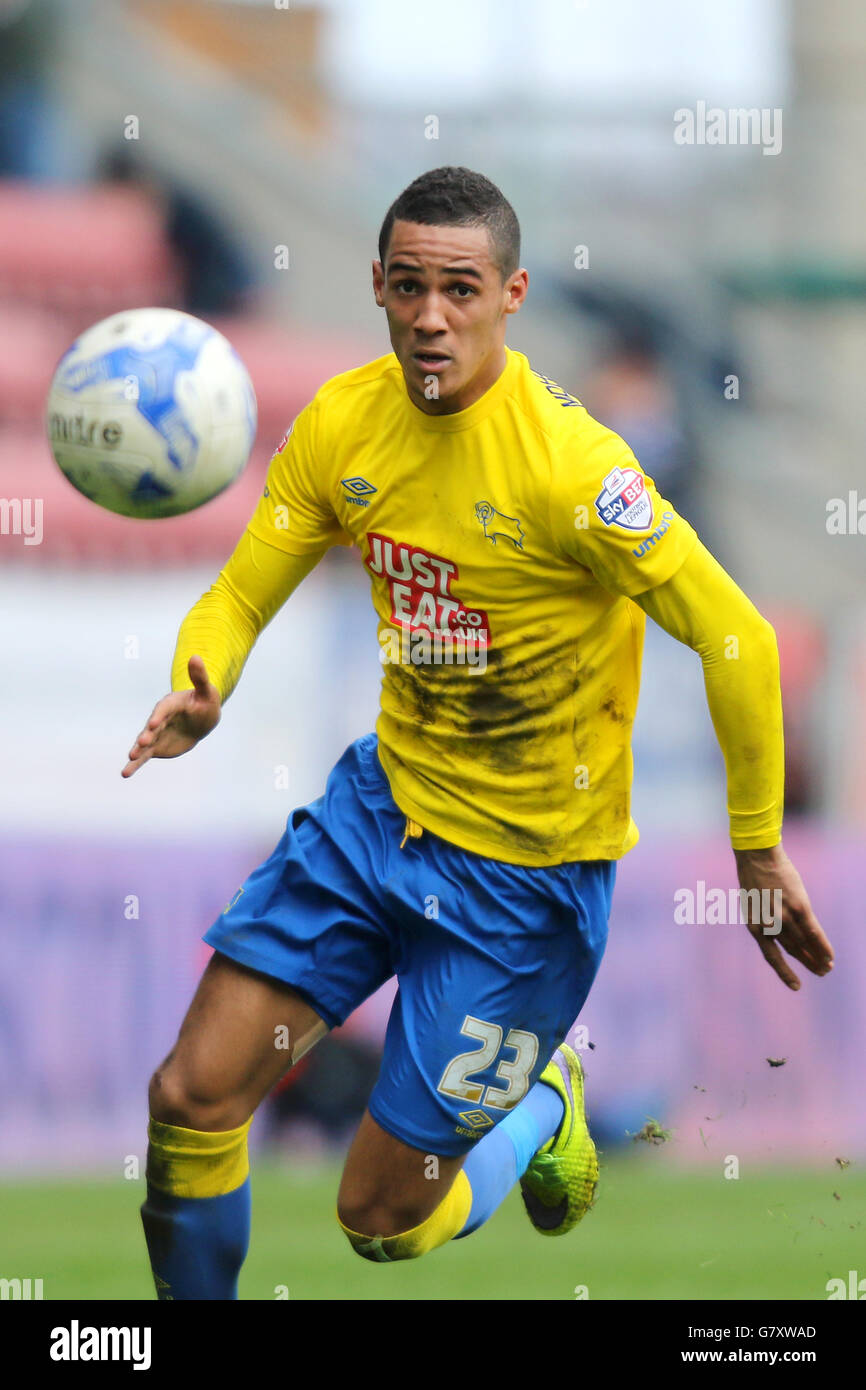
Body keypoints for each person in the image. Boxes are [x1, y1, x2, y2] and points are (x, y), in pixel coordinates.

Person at [123, 167, 834, 1299]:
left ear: (509, 294)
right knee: (189, 1099)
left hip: (523, 889)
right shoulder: (345, 423)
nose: (428, 316)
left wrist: (755, 846)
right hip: (376, 820)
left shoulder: (576, 472)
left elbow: (737, 637)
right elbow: (241, 595)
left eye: (458, 288)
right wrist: (199, 682)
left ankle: (544, 1101)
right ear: (375, 286)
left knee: (379, 1221)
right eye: (406, 286)